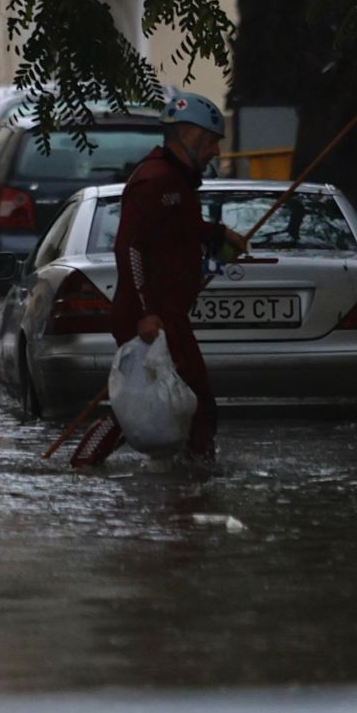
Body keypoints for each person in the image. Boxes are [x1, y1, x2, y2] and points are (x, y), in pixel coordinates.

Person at [72, 91, 248, 467]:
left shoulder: (177, 182)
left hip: (166, 313)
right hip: (152, 316)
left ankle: (186, 476)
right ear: (192, 136)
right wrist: (146, 313)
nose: (217, 153)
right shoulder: (154, 180)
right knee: (190, 399)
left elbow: (177, 229)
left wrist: (216, 235)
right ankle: (196, 479)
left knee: (158, 398)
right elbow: (130, 249)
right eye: (213, 143)